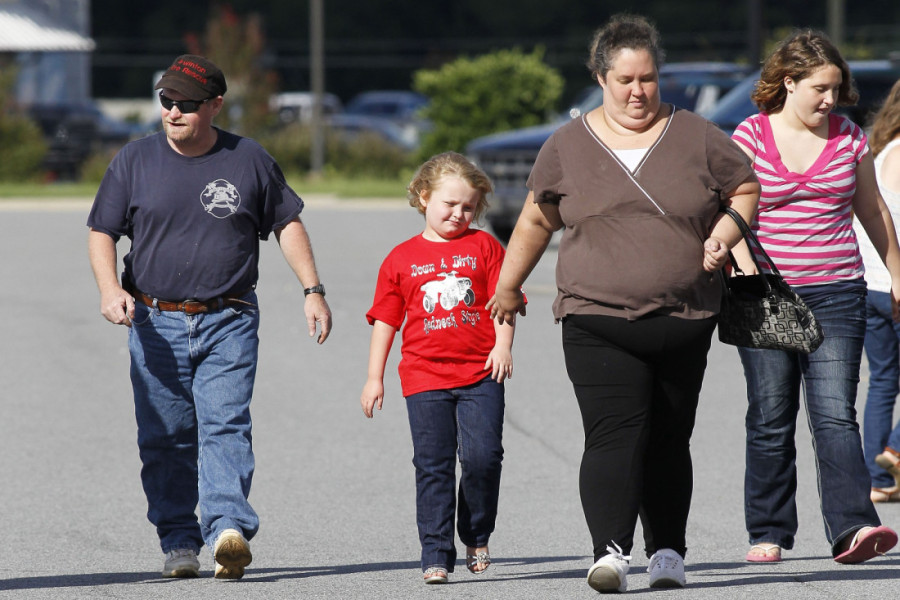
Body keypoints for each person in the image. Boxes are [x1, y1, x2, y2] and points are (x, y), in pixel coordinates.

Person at [487, 14, 760, 593]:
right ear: (600, 77)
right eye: (625, 80)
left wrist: (728, 232)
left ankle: (667, 553)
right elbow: (537, 217)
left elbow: (745, 185)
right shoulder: (566, 145)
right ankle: (610, 552)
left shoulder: (699, 136)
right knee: (613, 434)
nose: (638, 91)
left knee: (668, 438)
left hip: (685, 318)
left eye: (649, 79)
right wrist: (509, 286)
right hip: (596, 317)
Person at [87, 54, 332, 580]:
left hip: (230, 317)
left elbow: (287, 223)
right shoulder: (134, 161)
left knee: (224, 423)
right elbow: (102, 231)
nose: (173, 112)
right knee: (165, 436)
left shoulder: (249, 160)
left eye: (187, 104)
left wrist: (312, 289)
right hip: (154, 322)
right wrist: (110, 289)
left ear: (215, 105)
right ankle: (178, 540)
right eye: (166, 101)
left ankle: (227, 529)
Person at [730, 31, 899, 565]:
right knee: (771, 414)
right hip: (765, 292)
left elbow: (872, 210)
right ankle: (770, 530)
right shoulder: (751, 135)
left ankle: (853, 527)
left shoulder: (849, 138)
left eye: (836, 88)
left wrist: (897, 275)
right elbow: (729, 212)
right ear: (789, 82)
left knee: (834, 414)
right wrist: (745, 271)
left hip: (837, 290)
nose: (831, 99)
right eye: (820, 88)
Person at [360, 152, 514, 585]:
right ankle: (436, 552)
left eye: (468, 207)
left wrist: (503, 347)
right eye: (449, 204)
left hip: (482, 373)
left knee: (483, 458)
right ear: (423, 197)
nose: (458, 214)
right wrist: (375, 377)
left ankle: (476, 532)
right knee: (433, 464)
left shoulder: (484, 247)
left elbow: (504, 305)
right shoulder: (400, 258)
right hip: (424, 375)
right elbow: (387, 320)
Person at [853, 78, 900, 503]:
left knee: (884, 381)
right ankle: (896, 451)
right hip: (896, 283)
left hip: (869, 283)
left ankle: (879, 480)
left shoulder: (879, 150)